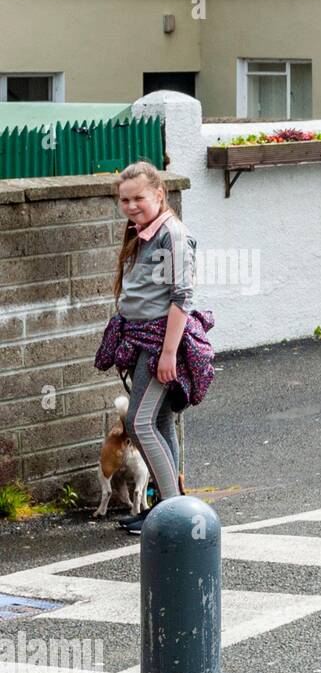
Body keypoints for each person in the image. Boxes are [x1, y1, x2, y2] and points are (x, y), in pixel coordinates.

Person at [94, 161, 215, 535]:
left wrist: (167, 354)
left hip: (162, 342)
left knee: (139, 421)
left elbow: (182, 296)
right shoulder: (142, 231)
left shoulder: (172, 235)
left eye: (139, 198)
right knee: (159, 420)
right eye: (124, 200)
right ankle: (164, 504)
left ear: (160, 195)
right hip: (143, 338)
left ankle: (173, 512)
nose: (130, 206)